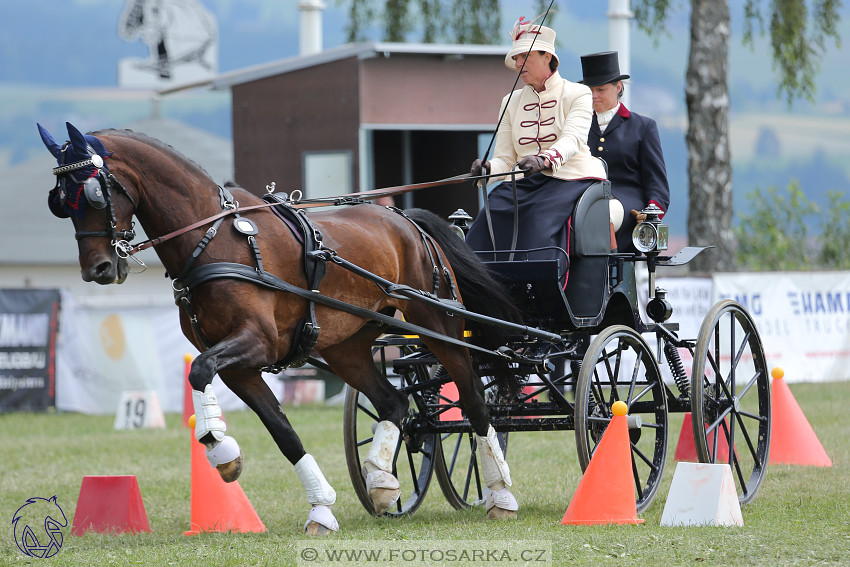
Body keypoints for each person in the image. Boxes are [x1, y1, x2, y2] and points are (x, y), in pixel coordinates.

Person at [465, 17, 607, 266]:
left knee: (537, 223)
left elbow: (572, 139)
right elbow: (506, 159)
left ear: (547, 56)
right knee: (489, 217)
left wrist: (544, 160)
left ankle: (541, 293)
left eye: (524, 56)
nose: (518, 64)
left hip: (571, 179)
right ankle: (479, 291)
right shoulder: (510, 101)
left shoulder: (579, 93)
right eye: (516, 59)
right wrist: (487, 169)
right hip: (526, 184)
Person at [579, 51, 670, 253]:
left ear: (618, 87)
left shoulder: (643, 127)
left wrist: (650, 214)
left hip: (628, 206)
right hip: (583, 198)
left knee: (603, 214)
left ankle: (609, 272)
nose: (594, 96)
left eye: (601, 90)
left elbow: (657, 184)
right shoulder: (577, 126)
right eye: (589, 90)